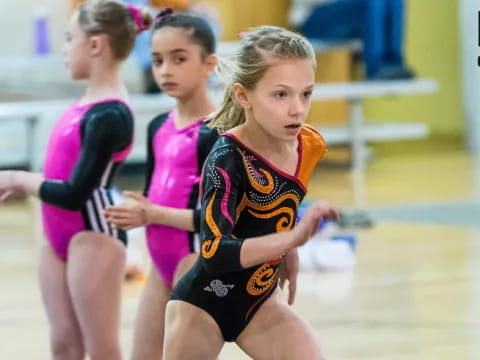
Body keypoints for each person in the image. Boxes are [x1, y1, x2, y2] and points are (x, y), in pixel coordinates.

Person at [162, 26, 339, 360]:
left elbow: (281, 202)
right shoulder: (226, 158)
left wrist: (288, 248)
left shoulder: (310, 145)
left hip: (259, 304)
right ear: (244, 96)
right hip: (203, 305)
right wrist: (292, 239)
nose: (297, 109)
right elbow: (214, 251)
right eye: (281, 95)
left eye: (306, 94)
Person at [0, 1, 151, 359]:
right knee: (64, 345)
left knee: (100, 350)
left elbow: (74, 193)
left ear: (96, 45)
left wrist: (18, 178)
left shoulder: (112, 113)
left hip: (93, 234)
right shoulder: (88, 103)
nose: (64, 49)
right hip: (57, 233)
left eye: (70, 39)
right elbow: (61, 176)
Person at [104, 9, 219, 359]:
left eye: (179, 59)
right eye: (157, 60)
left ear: (209, 64)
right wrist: (138, 211)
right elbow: (154, 201)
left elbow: (219, 221)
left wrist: (152, 213)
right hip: (160, 266)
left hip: (198, 262)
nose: (166, 70)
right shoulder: (157, 126)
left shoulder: (218, 133)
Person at [289, 0, 414, 80]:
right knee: (372, 2)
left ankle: (394, 62)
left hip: (348, 19)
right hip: (313, 19)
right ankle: (376, 66)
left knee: (396, 2)